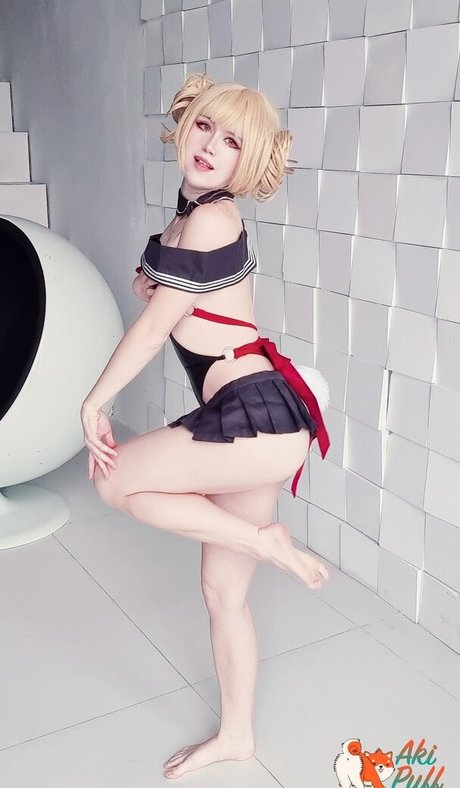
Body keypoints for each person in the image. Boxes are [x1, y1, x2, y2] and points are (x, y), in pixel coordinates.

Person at [80, 72, 330, 780]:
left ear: (247, 162)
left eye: (233, 142)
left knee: (114, 481)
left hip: (253, 414)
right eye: (204, 126)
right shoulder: (187, 220)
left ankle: (263, 541)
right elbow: (170, 289)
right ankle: (238, 736)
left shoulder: (214, 217)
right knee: (223, 595)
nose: (211, 145)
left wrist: (93, 402)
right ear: (185, 125)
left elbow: (156, 327)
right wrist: (150, 279)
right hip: (258, 420)